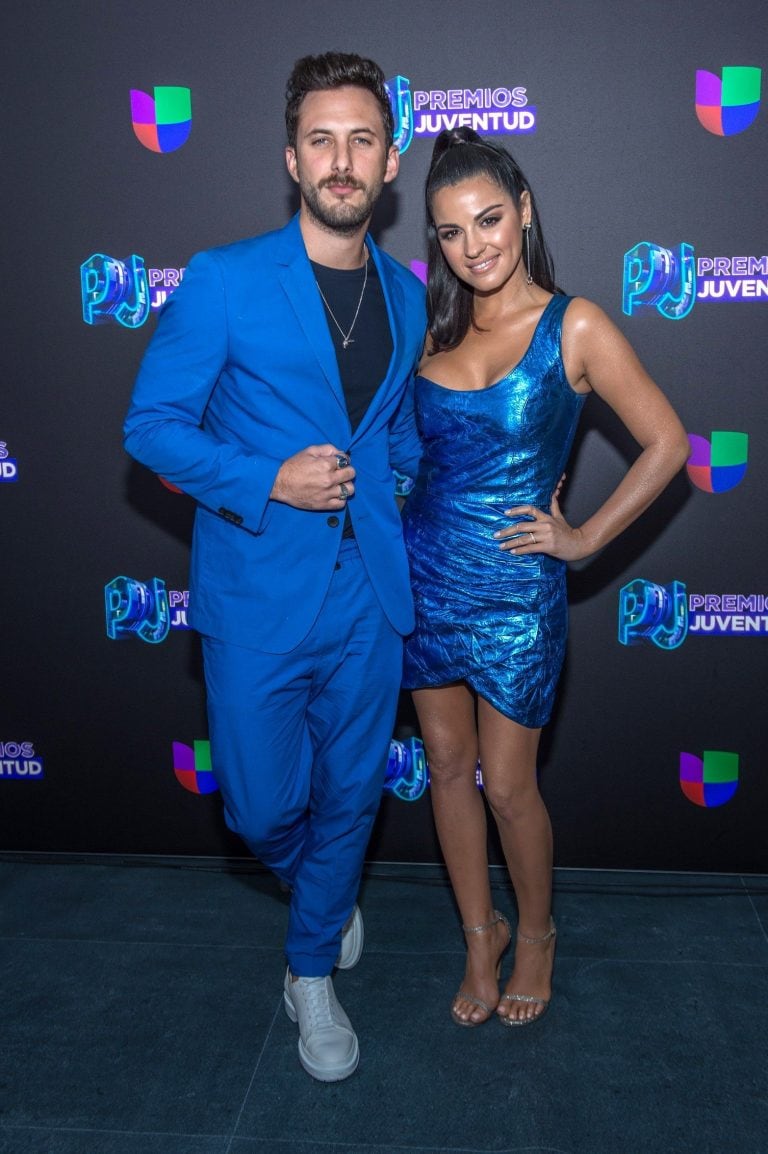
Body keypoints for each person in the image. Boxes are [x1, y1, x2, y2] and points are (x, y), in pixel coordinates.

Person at [123, 52, 425, 1081]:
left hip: (371, 594)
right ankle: (324, 895)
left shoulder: (408, 290)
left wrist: (407, 488)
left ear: (391, 162)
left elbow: (398, 430)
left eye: (363, 140)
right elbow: (152, 427)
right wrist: (267, 479)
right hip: (257, 585)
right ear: (292, 158)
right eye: (321, 139)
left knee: (350, 789)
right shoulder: (225, 277)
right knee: (257, 806)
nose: (343, 159)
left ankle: (310, 971)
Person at [401, 128, 689, 1028]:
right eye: (451, 232)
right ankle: (477, 937)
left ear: (523, 212)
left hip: (518, 593)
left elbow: (669, 443)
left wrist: (583, 537)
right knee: (446, 768)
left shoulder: (579, 324)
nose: (474, 244)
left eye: (489, 219)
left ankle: (536, 935)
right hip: (425, 576)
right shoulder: (431, 331)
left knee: (509, 784)